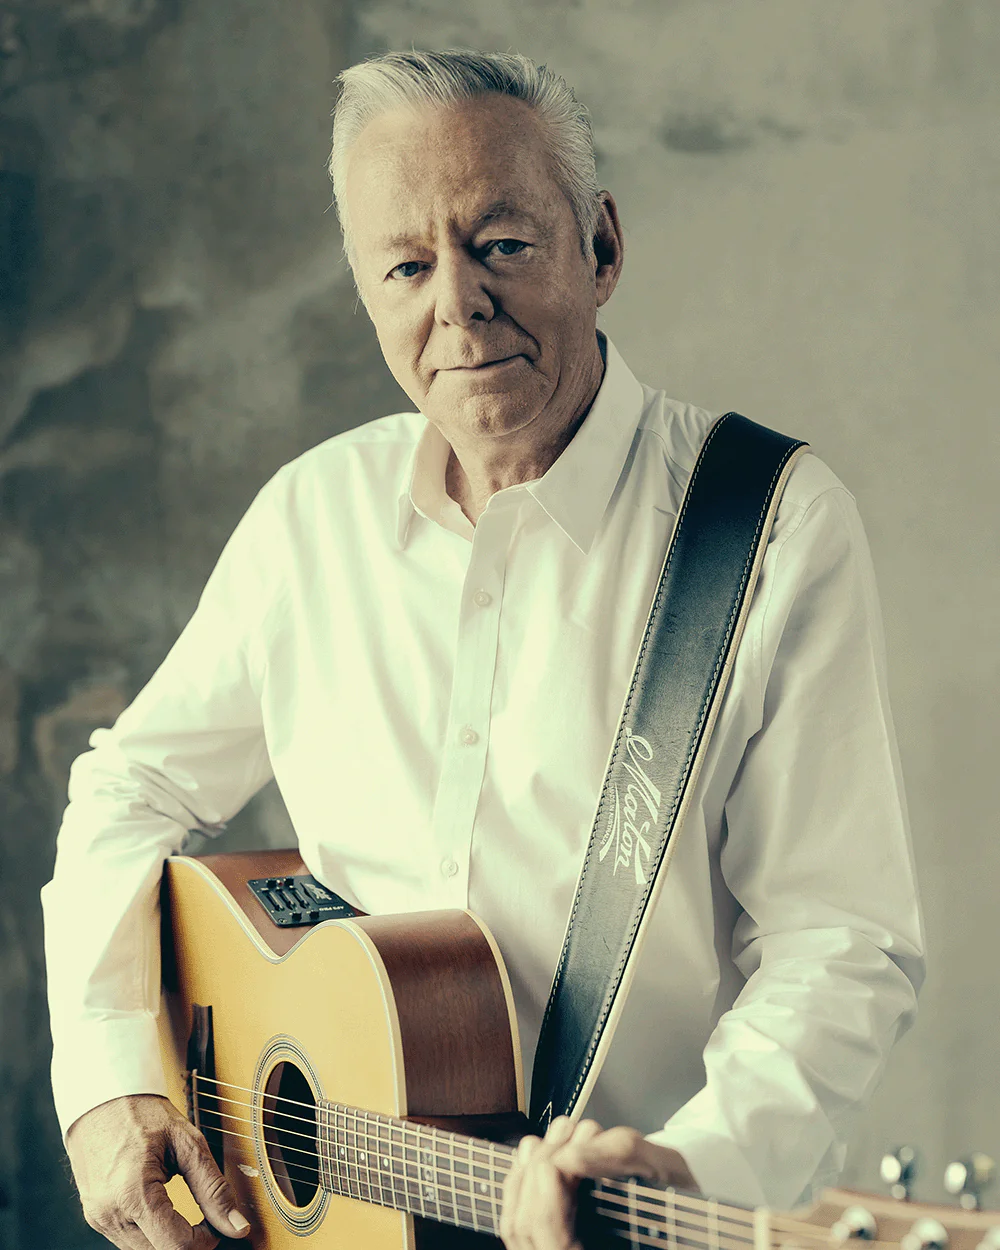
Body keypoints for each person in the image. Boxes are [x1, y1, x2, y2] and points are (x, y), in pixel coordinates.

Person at [43, 48, 924, 1250]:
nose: (454, 304)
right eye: (405, 265)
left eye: (501, 244)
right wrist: (105, 1077)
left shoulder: (765, 525)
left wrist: (693, 1162)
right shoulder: (311, 516)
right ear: (366, 292)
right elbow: (125, 785)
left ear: (601, 247)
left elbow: (838, 937)